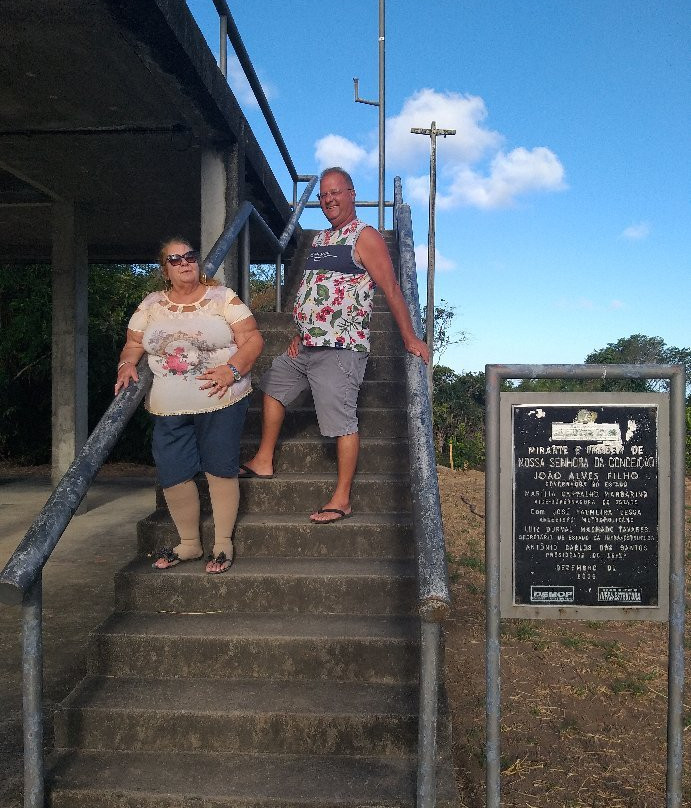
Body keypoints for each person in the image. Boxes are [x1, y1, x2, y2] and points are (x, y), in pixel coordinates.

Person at [239, 167, 429, 523]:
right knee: (274, 383)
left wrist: (409, 337)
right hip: (307, 344)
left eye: (335, 192)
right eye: (323, 195)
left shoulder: (365, 236)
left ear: (352, 194)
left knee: (341, 421)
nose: (329, 200)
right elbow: (315, 290)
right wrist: (301, 330)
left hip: (341, 347)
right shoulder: (321, 240)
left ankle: (342, 498)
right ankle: (263, 460)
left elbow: (391, 288)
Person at [114, 238, 263, 573]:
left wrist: (234, 369)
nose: (185, 263)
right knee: (173, 471)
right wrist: (126, 365)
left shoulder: (222, 298)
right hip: (168, 406)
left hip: (221, 398)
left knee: (220, 466)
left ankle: (222, 544)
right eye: (175, 259)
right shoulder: (151, 305)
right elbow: (134, 343)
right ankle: (189, 545)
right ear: (166, 270)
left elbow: (253, 338)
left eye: (190, 256)